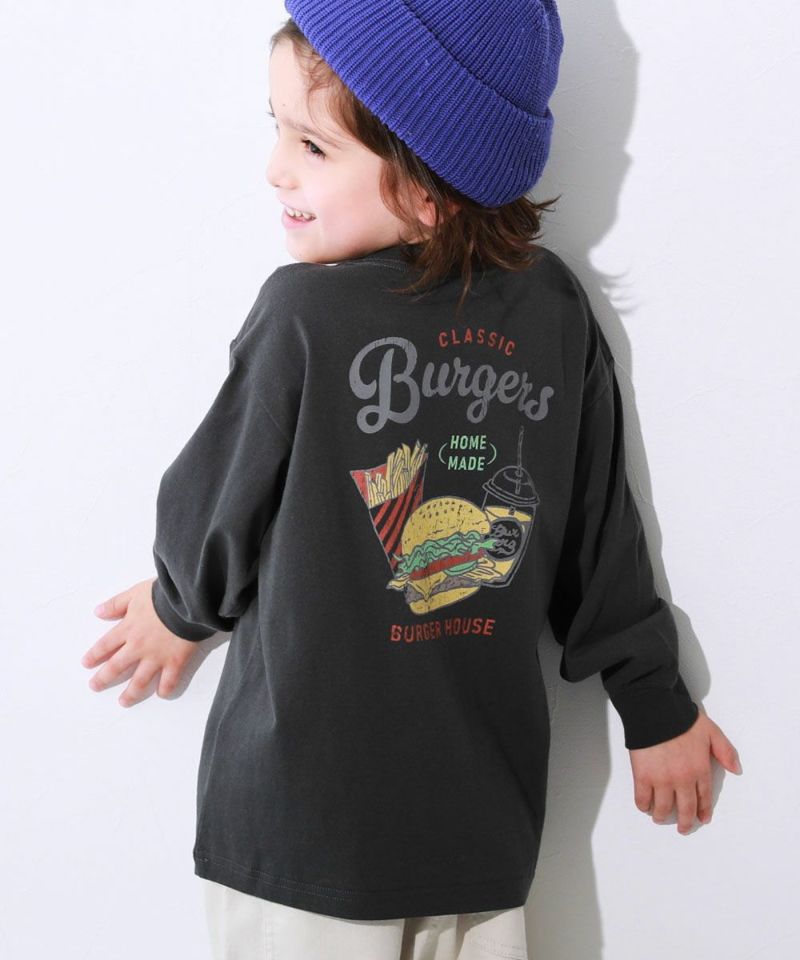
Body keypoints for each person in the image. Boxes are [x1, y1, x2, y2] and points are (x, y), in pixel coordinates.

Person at [81, 2, 742, 958]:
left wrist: (655, 704)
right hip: (324, 838)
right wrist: (181, 607)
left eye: (312, 145)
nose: (275, 169)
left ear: (428, 186)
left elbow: (597, 527)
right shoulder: (314, 315)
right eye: (277, 130)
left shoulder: (535, 315)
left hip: (457, 834)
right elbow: (231, 494)